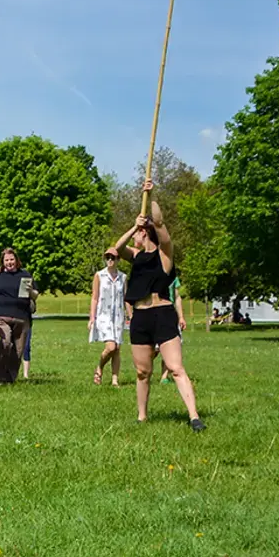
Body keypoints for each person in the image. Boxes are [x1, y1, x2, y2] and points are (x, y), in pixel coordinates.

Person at [109, 180, 205, 431]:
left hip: (162, 314)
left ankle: (194, 416)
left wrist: (150, 195)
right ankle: (142, 416)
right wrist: (133, 227)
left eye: (141, 231)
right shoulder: (136, 256)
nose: (139, 234)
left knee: (175, 367)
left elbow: (160, 224)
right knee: (143, 372)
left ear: (147, 234)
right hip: (140, 318)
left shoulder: (164, 255)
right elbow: (116, 248)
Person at [0, 248, 37, 384]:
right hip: (0, 316)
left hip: (22, 317)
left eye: (12, 259)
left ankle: (10, 378)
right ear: (2, 262)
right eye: (6, 260)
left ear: (17, 260)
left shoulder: (25, 275)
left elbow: (36, 295)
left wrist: (30, 291)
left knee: (18, 349)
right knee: (5, 342)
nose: (9, 262)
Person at [89, 249, 128, 387]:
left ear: (118, 260)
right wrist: (92, 317)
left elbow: (126, 298)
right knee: (111, 347)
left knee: (117, 348)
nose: (110, 260)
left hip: (118, 316)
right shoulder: (99, 275)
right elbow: (94, 297)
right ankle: (99, 367)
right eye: (107, 257)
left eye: (113, 257)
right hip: (103, 315)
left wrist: (130, 315)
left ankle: (115, 380)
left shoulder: (123, 277)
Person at [160, 273, 187, 383]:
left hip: (170, 313)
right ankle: (145, 372)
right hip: (155, 313)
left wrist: (181, 317)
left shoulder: (173, 277)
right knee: (153, 350)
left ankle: (164, 376)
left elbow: (177, 297)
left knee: (170, 347)